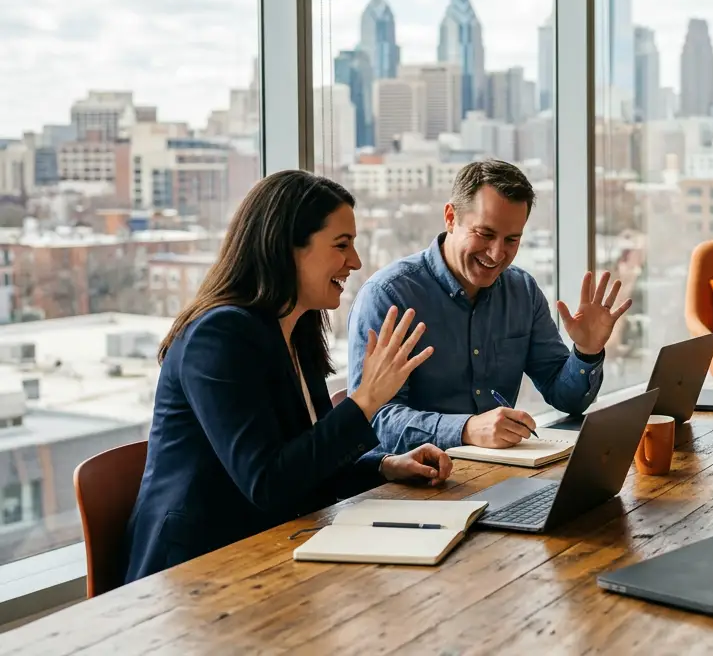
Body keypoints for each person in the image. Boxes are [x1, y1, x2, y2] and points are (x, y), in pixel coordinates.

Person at [125, 171, 449, 583]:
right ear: (288, 248)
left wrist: (385, 467)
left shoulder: (297, 331)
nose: (356, 261)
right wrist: (365, 400)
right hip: (193, 573)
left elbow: (303, 464)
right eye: (341, 245)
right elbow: (268, 482)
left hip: (268, 551)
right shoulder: (218, 336)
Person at [348, 159, 632, 452]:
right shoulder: (389, 296)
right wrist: (466, 430)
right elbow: (373, 421)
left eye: (512, 239)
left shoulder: (522, 291)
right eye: (485, 234)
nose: (497, 254)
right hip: (415, 486)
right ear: (450, 217)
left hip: (499, 474)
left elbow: (566, 398)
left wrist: (586, 352)